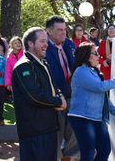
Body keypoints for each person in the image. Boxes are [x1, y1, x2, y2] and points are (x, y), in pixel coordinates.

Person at [11, 27, 67, 161]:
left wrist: (61, 97)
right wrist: (59, 102)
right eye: (42, 41)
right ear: (30, 43)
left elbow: (54, 87)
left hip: (48, 128)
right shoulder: (24, 66)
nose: (46, 44)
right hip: (34, 132)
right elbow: (34, 96)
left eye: (46, 41)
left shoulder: (43, 63)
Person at [68, 42, 115, 160]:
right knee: (88, 154)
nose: (98, 56)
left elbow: (103, 96)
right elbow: (100, 87)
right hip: (82, 119)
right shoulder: (80, 71)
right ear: (85, 56)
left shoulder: (95, 72)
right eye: (95, 53)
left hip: (97, 118)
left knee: (104, 150)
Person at [44, 15, 79, 161]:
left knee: (76, 135)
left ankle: (69, 158)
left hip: (73, 96)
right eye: (59, 30)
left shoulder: (69, 44)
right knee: (55, 138)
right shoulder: (43, 47)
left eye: (64, 29)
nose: (63, 33)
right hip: (55, 101)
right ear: (48, 31)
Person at [4, 36, 24, 101]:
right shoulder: (9, 57)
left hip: (25, 77)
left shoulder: (25, 53)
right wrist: (8, 83)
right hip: (16, 79)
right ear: (11, 45)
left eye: (19, 42)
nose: (18, 44)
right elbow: (8, 71)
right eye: (15, 43)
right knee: (18, 97)